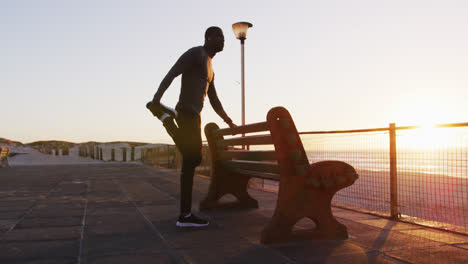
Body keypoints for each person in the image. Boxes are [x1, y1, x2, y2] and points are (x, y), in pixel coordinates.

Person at [146, 26, 236, 227]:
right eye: (218, 37)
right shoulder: (196, 53)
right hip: (186, 111)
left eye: (224, 38)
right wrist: (155, 100)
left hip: (195, 115)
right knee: (193, 158)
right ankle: (185, 216)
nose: (222, 40)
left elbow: (214, 99)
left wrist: (228, 120)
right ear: (208, 38)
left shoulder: (211, 66)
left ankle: (185, 215)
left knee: (191, 160)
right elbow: (172, 73)